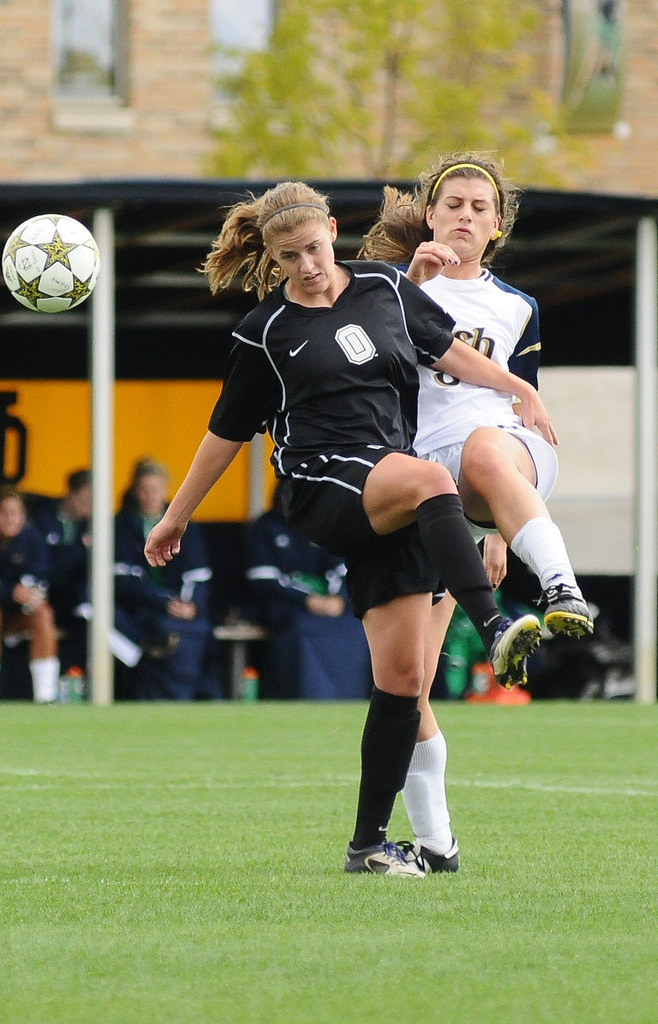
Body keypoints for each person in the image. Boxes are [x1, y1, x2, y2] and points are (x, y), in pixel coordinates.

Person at [143, 180, 552, 876]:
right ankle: (492, 626)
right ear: (270, 259)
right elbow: (225, 434)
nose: (304, 265)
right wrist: (174, 516)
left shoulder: (386, 289)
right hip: (321, 481)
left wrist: (517, 386)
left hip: (389, 486)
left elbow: (448, 353)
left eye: (311, 247)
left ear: (333, 229)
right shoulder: (264, 333)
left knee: (402, 680)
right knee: (432, 478)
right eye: (287, 257)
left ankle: (368, 845)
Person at [360, 152, 593, 873]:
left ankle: (561, 587)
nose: (465, 215)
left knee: (489, 445)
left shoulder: (517, 307)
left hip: (501, 465)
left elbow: (523, 406)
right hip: (423, 489)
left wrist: (496, 526)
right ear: (429, 215)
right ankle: (437, 844)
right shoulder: (381, 292)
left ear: (497, 227)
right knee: (408, 684)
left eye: (479, 208)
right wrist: (410, 288)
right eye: (452, 203)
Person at [246, 484, 372, 699]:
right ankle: (303, 695)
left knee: (357, 627)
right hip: (287, 607)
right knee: (301, 628)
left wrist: (338, 599)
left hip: (331, 607)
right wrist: (307, 600)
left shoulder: (326, 524)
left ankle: (353, 697)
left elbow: (343, 568)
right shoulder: (266, 526)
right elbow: (262, 578)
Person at [115, 458, 220, 700]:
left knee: (201, 628)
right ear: (135, 491)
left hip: (183, 608)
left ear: (166, 490)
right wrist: (164, 601)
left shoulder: (184, 525)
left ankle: (196, 694)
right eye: (144, 490)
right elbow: (124, 580)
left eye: (156, 489)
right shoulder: (120, 525)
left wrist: (189, 604)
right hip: (143, 607)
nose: (150, 496)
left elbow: (198, 573)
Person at [0, 486, 59, 704]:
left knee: (43, 613)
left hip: (17, 613)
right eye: (4, 513)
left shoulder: (32, 538)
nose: (10, 519)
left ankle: (46, 695)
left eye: (16, 513)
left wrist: (29, 593)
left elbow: (40, 576)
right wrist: (9, 592)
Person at [28, 468, 92, 672]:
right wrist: (78, 548)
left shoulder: (93, 525)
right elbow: (47, 564)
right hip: (40, 593)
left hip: (73, 599)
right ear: (70, 493)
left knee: (90, 614)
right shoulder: (42, 518)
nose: (87, 508)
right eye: (84, 499)